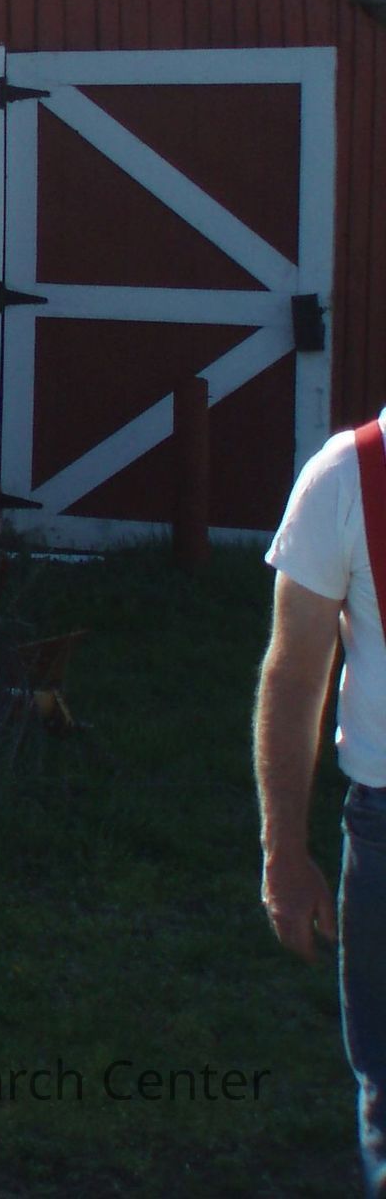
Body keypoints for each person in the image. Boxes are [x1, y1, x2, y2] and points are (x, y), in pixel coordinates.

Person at [257, 406, 386, 1194]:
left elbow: (298, 674)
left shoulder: (348, 474)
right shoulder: (347, 477)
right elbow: (296, 674)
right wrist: (284, 850)